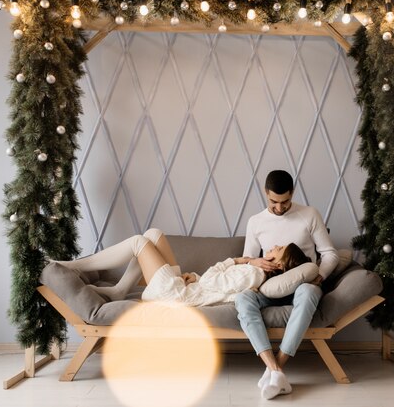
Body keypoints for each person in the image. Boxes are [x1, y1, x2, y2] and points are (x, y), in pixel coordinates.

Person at [235, 169, 339, 400]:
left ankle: (274, 369)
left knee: (309, 291)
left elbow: (330, 254)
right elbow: (247, 260)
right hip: (270, 287)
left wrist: (319, 276)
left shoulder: (310, 214)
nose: (280, 208)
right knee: (243, 298)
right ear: (265, 193)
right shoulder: (256, 222)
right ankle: (276, 372)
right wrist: (256, 261)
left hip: (302, 285)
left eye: (285, 202)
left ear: (293, 193)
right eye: (274, 202)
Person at [55, 228, 311, 307]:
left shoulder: (254, 272)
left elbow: (213, 283)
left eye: (279, 249)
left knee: (138, 242)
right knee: (153, 234)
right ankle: (121, 290)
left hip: (176, 296)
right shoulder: (254, 271)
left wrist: (241, 260)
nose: (274, 245)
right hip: (185, 289)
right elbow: (214, 286)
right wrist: (195, 277)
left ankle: (73, 266)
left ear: (279, 263)